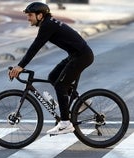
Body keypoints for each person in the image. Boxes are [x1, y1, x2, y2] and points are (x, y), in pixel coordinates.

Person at [8, 2, 94, 135]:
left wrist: (20, 66)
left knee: (60, 85)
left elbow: (35, 47)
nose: (28, 18)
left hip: (81, 56)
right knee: (53, 77)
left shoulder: (47, 25)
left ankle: (65, 123)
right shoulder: (48, 23)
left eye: (30, 15)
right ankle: (81, 101)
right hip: (76, 55)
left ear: (40, 15)